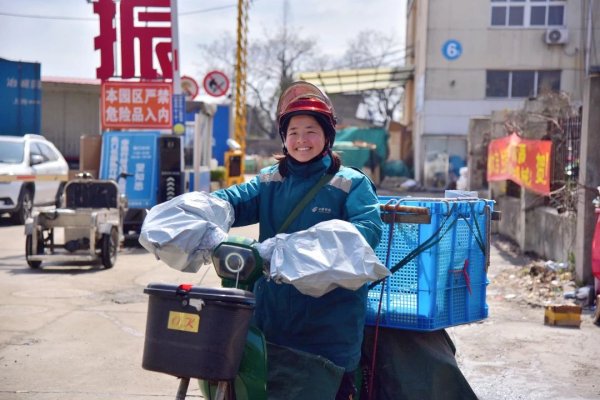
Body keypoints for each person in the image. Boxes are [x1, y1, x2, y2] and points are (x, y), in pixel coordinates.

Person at [212, 81, 383, 399]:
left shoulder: (350, 183)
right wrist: (198, 209)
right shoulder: (269, 179)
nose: (301, 140)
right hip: (273, 322)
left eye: (311, 131)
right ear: (284, 138)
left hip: (329, 329)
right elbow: (232, 201)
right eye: (293, 132)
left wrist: (294, 252)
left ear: (327, 136)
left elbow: (367, 233)